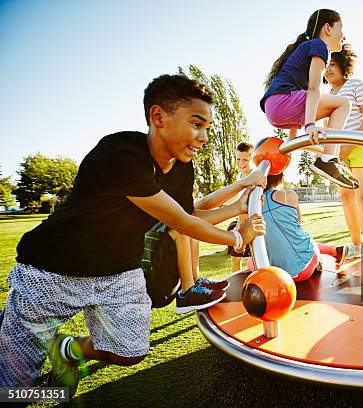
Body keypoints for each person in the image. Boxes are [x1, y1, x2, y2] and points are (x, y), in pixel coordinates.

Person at [0, 74, 266, 393]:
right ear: (158, 117)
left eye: (207, 127)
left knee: (130, 352)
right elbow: (182, 222)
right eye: (196, 123)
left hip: (118, 273)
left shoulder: (183, 168)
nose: (203, 136)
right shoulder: (120, 153)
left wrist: (238, 206)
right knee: (12, 385)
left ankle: (67, 349)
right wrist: (238, 237)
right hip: (53, 271)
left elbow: (189, 214)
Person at [141, 169, 266, 314]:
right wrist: (237, 237)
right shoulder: (157, 197)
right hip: (152, 284)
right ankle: (188, 292)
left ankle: (195, 280)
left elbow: (200, 207)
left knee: (189, 224)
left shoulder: (169, 196)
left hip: (162, 280)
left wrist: (238, 205)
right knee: (183, 225)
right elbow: (191, 215)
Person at [261, 9, 358, 189]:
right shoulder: (320, 46)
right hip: (282, 101)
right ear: (327, 28)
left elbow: (302, 92)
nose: (343, 35)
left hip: (275, 109)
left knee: (330, 117)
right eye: (341, 28)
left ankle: (330, 159)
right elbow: (313, 89)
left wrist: (292, 141)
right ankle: (328, 159)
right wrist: (310, 125)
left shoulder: (306, 50)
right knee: (343, 104)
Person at [323, 44, 363, 263]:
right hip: (339, 151)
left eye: (333, 64)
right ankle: (356, 245)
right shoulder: (328, 95)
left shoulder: (357, 85)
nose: (328, 69)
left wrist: (350, 146)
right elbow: (328, 125)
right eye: (325, 66)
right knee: (345, 198)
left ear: (343, 65)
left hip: (361, 146)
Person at [247, 173, 345, 281]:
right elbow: (298, 227)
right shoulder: (289, 195)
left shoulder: (251, 204)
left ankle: (334, 251)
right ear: (281, 178)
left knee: (251, 262)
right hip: (304, 270)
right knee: (304, 240)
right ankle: (333, 251)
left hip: (274, 277)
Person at [227, 142, 255, 272]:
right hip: (241, 222)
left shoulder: (255, 175)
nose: (241, 163)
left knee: (255, 258)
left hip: (253, 223)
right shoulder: (239, 177)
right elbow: (237, 199)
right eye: (238, 159)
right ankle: (234, 285)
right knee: (235, 258)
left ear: (253, 159)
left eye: (245, 160)